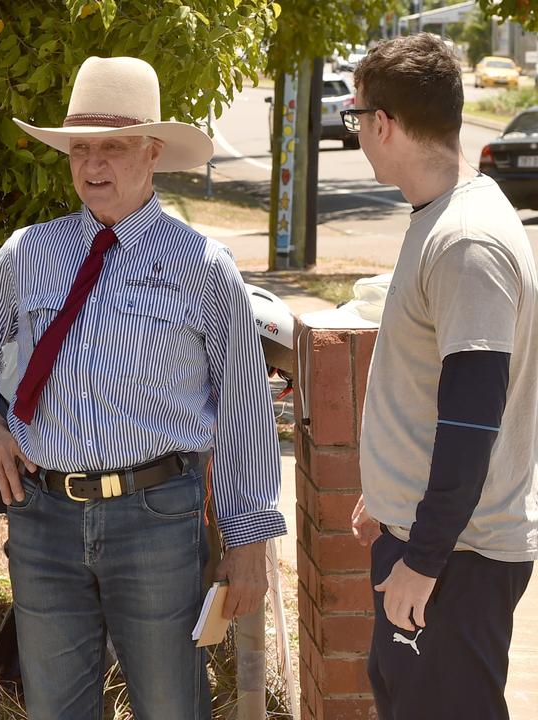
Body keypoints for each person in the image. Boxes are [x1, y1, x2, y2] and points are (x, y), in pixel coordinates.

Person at [0, 56, 285, 718]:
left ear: (152, 153)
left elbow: (244, 410)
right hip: (43, 518)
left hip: (157, 517)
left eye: (114, 147)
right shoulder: (28, 252)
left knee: (168, 705)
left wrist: (248, 543)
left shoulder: (203, 266)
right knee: (56, 709)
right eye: (81, 148)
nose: (93, 164)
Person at [346, 33, 538, 720]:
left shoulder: (466, 242)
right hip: (437, 543)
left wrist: (423, 556)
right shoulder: (444, 217)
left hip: (459, 559)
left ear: (383, 124)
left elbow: (472, 418)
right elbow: (434, 393)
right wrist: (394, 500)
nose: (358, 132)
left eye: (356, 117)